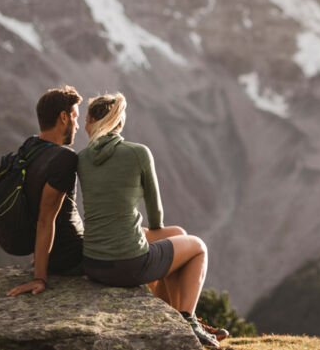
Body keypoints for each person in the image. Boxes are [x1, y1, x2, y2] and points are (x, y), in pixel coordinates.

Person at [77, 92, 223, 348]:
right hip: (128, 265)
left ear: (90, 122)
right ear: (119, 123)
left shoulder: (82, 159)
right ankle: (186, 319)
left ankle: (171, 317)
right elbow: (156, 216)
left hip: (93, 263)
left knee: (177, 233)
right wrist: (145, 229)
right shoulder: (138, 153)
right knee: (198, 247)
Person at [6, 85, 85, 297]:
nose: (77, 125)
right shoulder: (64, 159)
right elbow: (45, 219)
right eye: (75, 117)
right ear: (63, 117)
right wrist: (39, 278)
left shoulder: (29, 148)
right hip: (74, 257)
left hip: (54, 254)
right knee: (166, 240)